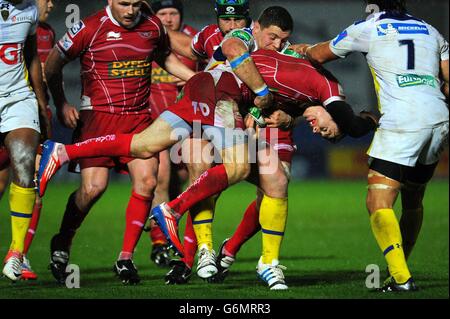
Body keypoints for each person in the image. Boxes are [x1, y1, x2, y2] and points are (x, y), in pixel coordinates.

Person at [37, 48, 377, 288]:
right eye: (326, 128)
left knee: (144, 144)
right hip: (221, 92)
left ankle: (63, 151)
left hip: (205, 85)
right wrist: (372, 119)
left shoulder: (300, 86)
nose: (317, 129)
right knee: (240, 166)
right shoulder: (330, 90)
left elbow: (272, 91)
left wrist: (264, 110)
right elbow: (349, 122)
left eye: (321, 133)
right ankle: (173, 210)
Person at [293, 0, 449, 292]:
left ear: (372, 6)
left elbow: (318, 55)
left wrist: (301, 49)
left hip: (403, 119)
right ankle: (397, 274)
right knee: (413, 200)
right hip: (439, 118)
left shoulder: (369, 27)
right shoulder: (431, 30)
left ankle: (401, 278)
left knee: (378, 201)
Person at [43, 0, 195, 285]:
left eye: (136, 4)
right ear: (110, 1)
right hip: (97, 119)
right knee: (93, 188)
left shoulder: (152, 26)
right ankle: (63, 240)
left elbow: (164, 56)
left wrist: (194, 77)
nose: (130, 11)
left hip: (138, 120)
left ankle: (125, 258)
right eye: (124, 3)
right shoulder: (88, 27)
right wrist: (61, 103)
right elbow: (53, 63)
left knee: (148, 182)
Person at [163, 0, 252, 285]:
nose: (233, 26)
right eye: (227, 21)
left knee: (268, 185)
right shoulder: (208, 35)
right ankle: (200, 253)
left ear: (248, 19)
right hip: (202, 113)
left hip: (237, 116)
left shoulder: (253, 40)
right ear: (218, 20)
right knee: (198, 177)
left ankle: (223, 249)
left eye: (239, 19)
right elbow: (187, 47)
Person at [146, 0, 199, 269]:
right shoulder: (147, 37)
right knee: (161, 175)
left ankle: (185, 238)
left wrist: (196, 76)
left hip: (187, 120)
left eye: (173, 13)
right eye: (162, 13)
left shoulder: (193, 42)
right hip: (154, 119)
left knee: (185, 177)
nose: (168, 19)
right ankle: (160, 240)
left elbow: (211, 71)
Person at [0, 0, 49, 281]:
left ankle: (16, 253)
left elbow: (31, 56)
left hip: (18, 97)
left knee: (24, 162)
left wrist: (42, 104)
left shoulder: (30, 10)